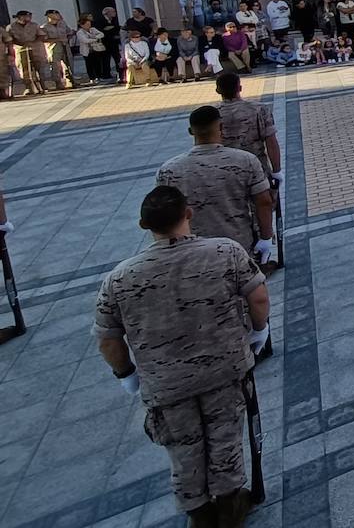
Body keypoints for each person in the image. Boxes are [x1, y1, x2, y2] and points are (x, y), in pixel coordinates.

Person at [93, 185, 270, 526]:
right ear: (188, 214)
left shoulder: (120, 279)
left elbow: (108, 339)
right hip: (224, 368)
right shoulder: (224, 252)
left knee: (183, 448)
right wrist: (259, 331)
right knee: (225, 438)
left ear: (144, 226)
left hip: (166, 383)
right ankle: (230, 505)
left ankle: (199, 513)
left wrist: (126, 374)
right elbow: (258, 297)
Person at [157, 106, 275, 270]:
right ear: (221, 127)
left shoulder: (169, 171)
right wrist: (266, 237)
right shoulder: (245, 160)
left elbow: (163, 216)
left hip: (193, 254)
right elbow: (264, 202)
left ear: (191, 131)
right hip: (239, 248)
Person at [216, 72, 283, 203]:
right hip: (257, 169)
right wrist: (277, 171)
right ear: (239, 88)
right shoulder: (259, 109)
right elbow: (271, 141)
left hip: (226, 172)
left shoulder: (213, 114)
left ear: (218, 90)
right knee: (263, 208)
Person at [7, 11, 47, 95]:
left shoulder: (34, 25)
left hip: (35, 50)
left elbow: (41, 35)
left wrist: (34, 42)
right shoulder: (11, 27)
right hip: (21, 50)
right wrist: (19, 44)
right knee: (25, 70)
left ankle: (42, 87)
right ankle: (29, 88)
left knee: (39, 69)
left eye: (29, 16)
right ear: (20, 17)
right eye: (26, 16)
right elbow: (9, 39)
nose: (29, 18)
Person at [74, 15, 108, 84]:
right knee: (89, 64)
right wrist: (95, 39)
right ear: (82, 25)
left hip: (95, 49)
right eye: (86, 24)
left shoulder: (93, 29)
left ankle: (99, 77)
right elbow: (85, 40)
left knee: (97, 63)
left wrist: (95, 37)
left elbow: (102, 34)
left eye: (89, 24)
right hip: (87, 50)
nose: (88, 25)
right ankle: (92, 78)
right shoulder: (80, 32)